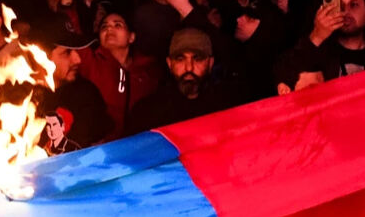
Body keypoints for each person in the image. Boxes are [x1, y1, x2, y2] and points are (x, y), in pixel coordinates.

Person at [128, 28, 241, 134]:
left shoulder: (228, 109)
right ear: (169, 63)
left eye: (197, 59)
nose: (189, 68)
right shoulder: (147, 111)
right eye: (180, 59)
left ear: (210, 63)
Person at [77, 12, 163, 140]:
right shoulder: (90, 62)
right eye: (104, 27)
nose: (109, 29)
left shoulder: (148, 69)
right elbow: (69, 38)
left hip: (140, 144)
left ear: (131, 37)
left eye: (117, 25)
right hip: (101, 146)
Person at [276, 0, 365, 93]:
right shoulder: (322, 51)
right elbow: (284, 73)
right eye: (340, 6)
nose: (346, 12)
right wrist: (317, 35)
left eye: (354, 5)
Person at [34, 24, 113, 148]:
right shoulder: (18, 93)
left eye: (77, 51)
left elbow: (95, 152)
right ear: (40, 57)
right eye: (67, 52)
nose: (78, 60)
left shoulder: (86, 95)